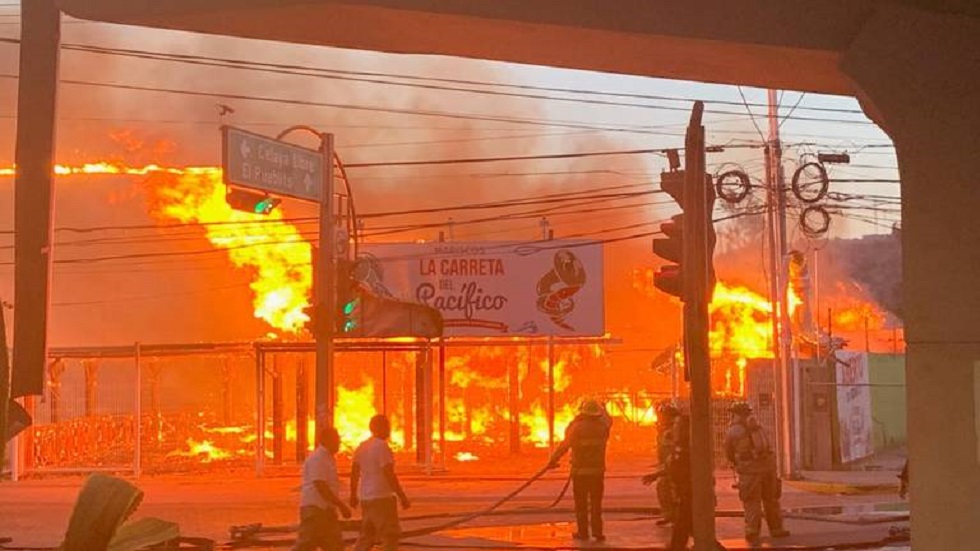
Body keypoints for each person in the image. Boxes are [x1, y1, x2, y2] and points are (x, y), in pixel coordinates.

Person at [548, 399, 612, 542]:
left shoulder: (576, 427)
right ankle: (598, 532)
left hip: (580, 473)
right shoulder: (603, 427)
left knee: (581, 504)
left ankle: (583, 532)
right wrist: (604, 407)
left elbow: (565, 445)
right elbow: (609, 421)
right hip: (597, 472)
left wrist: (553, 459)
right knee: (596, 504)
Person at [724, 401, 789, 543]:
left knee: (752, 501)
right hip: (768, 469)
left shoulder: (733, 431)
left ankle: (752, 531)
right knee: (771, 500)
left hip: (749, 471)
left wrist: (736, 462)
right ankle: (777, 529)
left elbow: (728, 451)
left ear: (735, 414)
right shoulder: (758, 427)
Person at [350, 415, 410, 551]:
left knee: (367, 536)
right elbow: (389, 473)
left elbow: (354, 473)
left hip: (366, 498)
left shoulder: (362, 447)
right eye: (387, 427)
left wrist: (353, 495)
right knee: (390, 535)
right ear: (379, 428)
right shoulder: (381, 447)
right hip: (382, 498)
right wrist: (402, 496)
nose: (389, 430)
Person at [294, 426, 352, 551]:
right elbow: (321, 485)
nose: (339, 443)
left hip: (325, 510)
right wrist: (341, 505)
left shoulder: (327, 458)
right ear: (327, 440)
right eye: (336, 440)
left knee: (334, 545)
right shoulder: (318, 458)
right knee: (305, 545)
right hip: (316, 510)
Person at [654, 400, 680, 525]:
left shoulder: (671, 431)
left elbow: (671, 450)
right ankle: (670, 516)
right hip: (667, 464)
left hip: (671, 465)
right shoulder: (666, 429)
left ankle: (675, 517)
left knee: (670, 491)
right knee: (664, 490)